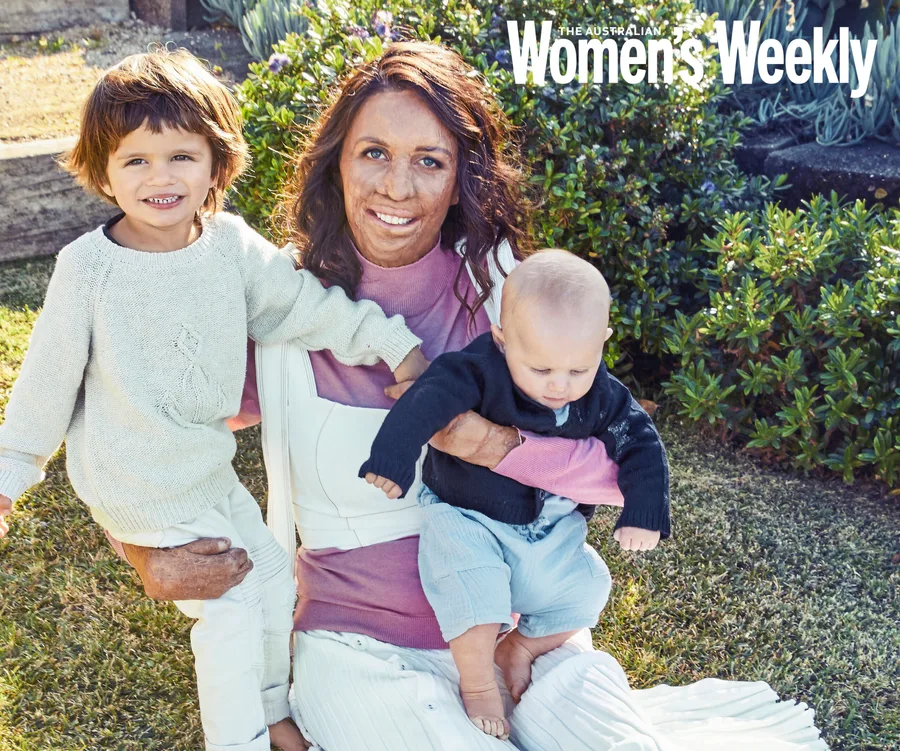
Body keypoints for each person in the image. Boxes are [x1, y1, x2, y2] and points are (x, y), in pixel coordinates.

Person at [118, 42, 828, 750]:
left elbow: (618, 469)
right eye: (373, 153)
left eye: (429, 160)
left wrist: (490, 442)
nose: (397, 186)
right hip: (363, 648)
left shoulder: (502, 292)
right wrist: (148, 558)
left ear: (462, 177)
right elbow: (135, 440)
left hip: (523, 642)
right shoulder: (278, 311)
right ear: (336, 162)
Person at [0, 49, 427, 751]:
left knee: (267, 571)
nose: (160, 178)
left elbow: (303, 307)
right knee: (227, 607)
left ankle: (272, 708)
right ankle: (240, 739)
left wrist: (392, 345)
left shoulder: (229, 246)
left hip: (202, 468)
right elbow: (44, 387)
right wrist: (8, 482)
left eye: (180, 157)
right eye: (135, 161)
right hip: (134, 476)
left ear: (215, 163)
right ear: (102, 170)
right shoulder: (88, 269)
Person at [360, 249, 671, 738]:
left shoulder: (601, 391)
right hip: (469, 516)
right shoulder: (480, 370)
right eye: (542, 370)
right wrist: (394, 454)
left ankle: (522, 645)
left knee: (589, 586)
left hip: (548, 531)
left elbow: (640, 440)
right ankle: (479, 680)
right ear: (504, 341)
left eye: (578, 370)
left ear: (601, 345)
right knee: (472, 586)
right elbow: (430, 396)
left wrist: (644, 509)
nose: (560, 386)